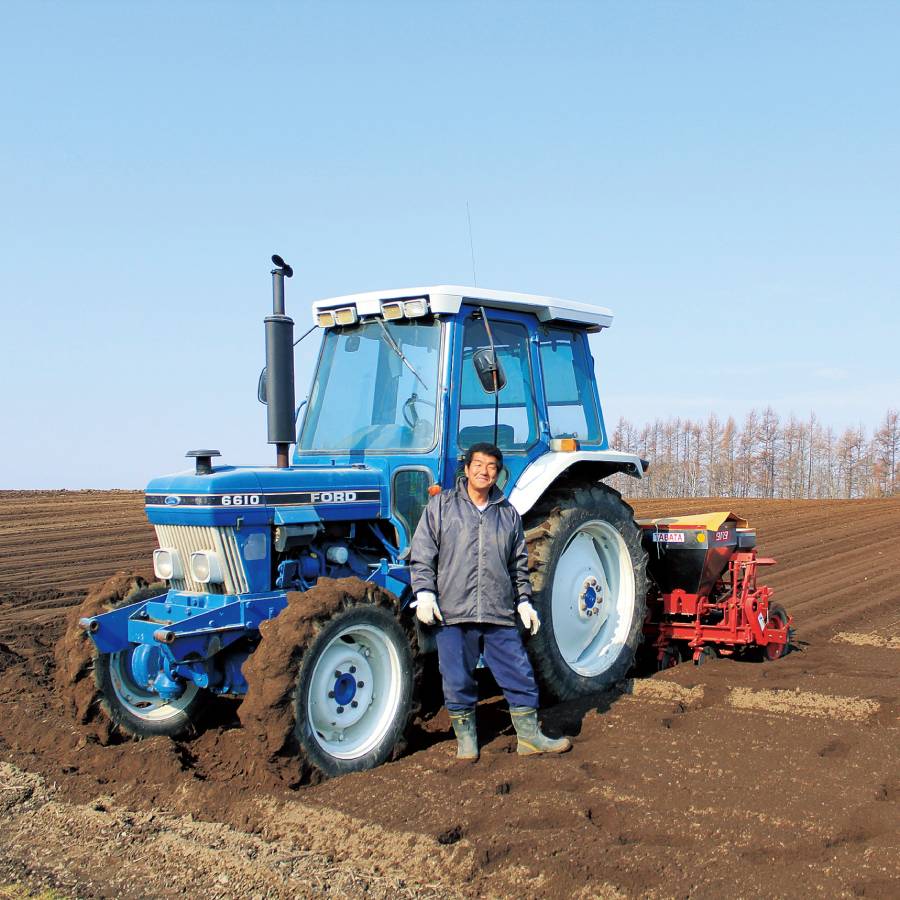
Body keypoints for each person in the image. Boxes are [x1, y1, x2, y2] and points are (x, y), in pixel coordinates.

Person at [410, 441, 571, 760]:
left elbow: (517, 563)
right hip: (454, 613)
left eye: (492, 467)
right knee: (457, 678)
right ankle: (467, 743)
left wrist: (524, 601)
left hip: (498, 612)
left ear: (498, 473)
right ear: (467, 469)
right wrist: (425, 593)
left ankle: (529, 737)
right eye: (479, 465)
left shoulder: (507, 513)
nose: (484, 471)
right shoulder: (442, 506)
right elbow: (423, 552)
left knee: (519, 673)